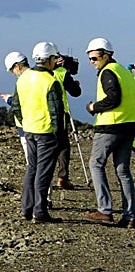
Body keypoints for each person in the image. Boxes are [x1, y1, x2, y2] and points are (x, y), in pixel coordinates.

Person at [83, 37, 135, 226]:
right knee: (123, 170)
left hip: (110, 126)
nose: (92, 63)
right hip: (129, 126)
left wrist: (93, 107)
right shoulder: (125, 72)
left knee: (96, 164)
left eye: (95, 58)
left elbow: (114, 98)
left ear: (106, 55)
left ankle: (104, 210)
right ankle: (130, 215)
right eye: (90, 59)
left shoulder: (107, 72)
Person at [14, 42, 66, 223]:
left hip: (29, 130)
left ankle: (26, 209)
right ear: (51, 60)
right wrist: (59, 135)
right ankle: (40, 212)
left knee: (32, 169)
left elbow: (16, 106)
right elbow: (56, 112)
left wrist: (26, 121)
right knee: (43, 173)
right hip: (46, 133)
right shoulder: (51, 81)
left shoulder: (23, 79)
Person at [53, 52, 83, 188]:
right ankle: (62, 177)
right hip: (60, 114)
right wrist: (75, 84)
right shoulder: (61, 73)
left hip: (38, 116)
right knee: (63, 146)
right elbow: (76, 93)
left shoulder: (33, 73)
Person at [0, 51, 31, 165]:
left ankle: (35, 183)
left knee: (32, 162)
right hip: (36, 126)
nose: (13, 73)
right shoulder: (38, 76)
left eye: (12, 70)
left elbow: (20, 104)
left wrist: (9, 99)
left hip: (26, 126)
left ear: (17, 66)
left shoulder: (23, 80)